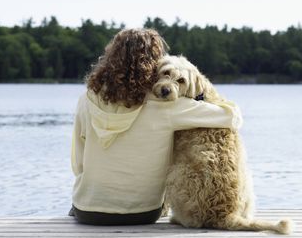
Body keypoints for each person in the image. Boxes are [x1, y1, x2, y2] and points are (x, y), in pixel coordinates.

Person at [70, 28, 242, 225]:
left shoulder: (86, 99)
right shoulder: (166, 106)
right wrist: (202, 93)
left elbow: (78, 163)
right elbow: (232, 117)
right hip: (143, 213)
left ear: (109, 58)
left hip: (88, 211)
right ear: (153, 64)